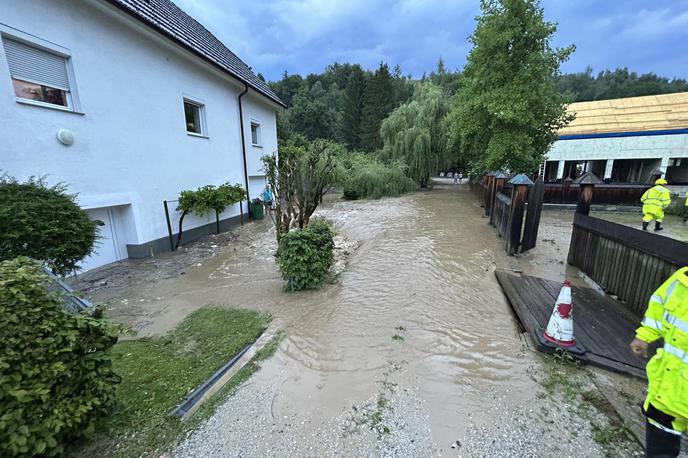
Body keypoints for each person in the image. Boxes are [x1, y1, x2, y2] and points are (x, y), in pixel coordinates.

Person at [630, 268, 688, 457]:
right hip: (665, 391)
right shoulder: (681, 280)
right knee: (659, 450)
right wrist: (644, 337)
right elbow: (658, 307)